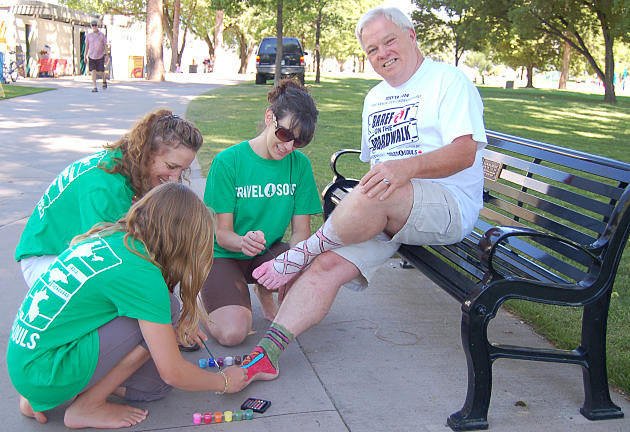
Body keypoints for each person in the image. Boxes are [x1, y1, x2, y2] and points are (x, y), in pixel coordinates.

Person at [241, 6, 487, 382]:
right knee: (328, 265)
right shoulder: (374, 98)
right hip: (389, 208)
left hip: (446, 204)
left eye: (389, 41)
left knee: (379, 191)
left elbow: (465, 151)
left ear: (411, 36)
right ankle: (266, 355)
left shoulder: (448, 82)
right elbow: (377, 167)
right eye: (372, 49)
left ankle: (301, 252)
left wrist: (405, 169)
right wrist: (385, 181)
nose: (382, 54)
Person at [8, 183, 248, 429]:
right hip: (45, 370)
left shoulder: (113, 237)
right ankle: (86, 406)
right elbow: (173, 371)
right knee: (169, 308)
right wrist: (224, 382)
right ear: (182, 240)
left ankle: (43, 395)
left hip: (27, 363)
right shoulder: (143, 275)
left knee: (154, 386)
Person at [15, 109, 202, 289]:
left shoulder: (122, 164)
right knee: (137, 292)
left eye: (182, 170)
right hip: (47, 260)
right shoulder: (105, 188)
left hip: (65, 251)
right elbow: (104, 256)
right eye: (171, 166)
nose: (176, 177)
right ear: (147, 152)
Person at [200, 79, 321, 347]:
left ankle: (265, 291)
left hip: (267, 252)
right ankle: (201, 300)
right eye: (285, 134)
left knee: (309, 284)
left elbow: (301, 232)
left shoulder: (299, 166)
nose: (289, 146)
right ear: (270, 118)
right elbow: (222, 234)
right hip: (226, 256)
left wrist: (293, 268)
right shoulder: (228, 161)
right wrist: (243, 242)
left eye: (299, 142)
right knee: (232, 334)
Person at [85, 20, 108, 92]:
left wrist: (106, 55)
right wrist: (85, 56)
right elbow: (86, 46)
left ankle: (104, 80)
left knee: (101, 71)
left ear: (97, 26)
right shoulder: (89, 35)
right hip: (91, 56)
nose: (94, 26)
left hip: (100, 55)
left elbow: (105, 45)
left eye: (95, 25)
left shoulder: (102, 35)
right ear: (91, 26)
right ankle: (95, 87)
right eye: (93, 25)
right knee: (93, 71)